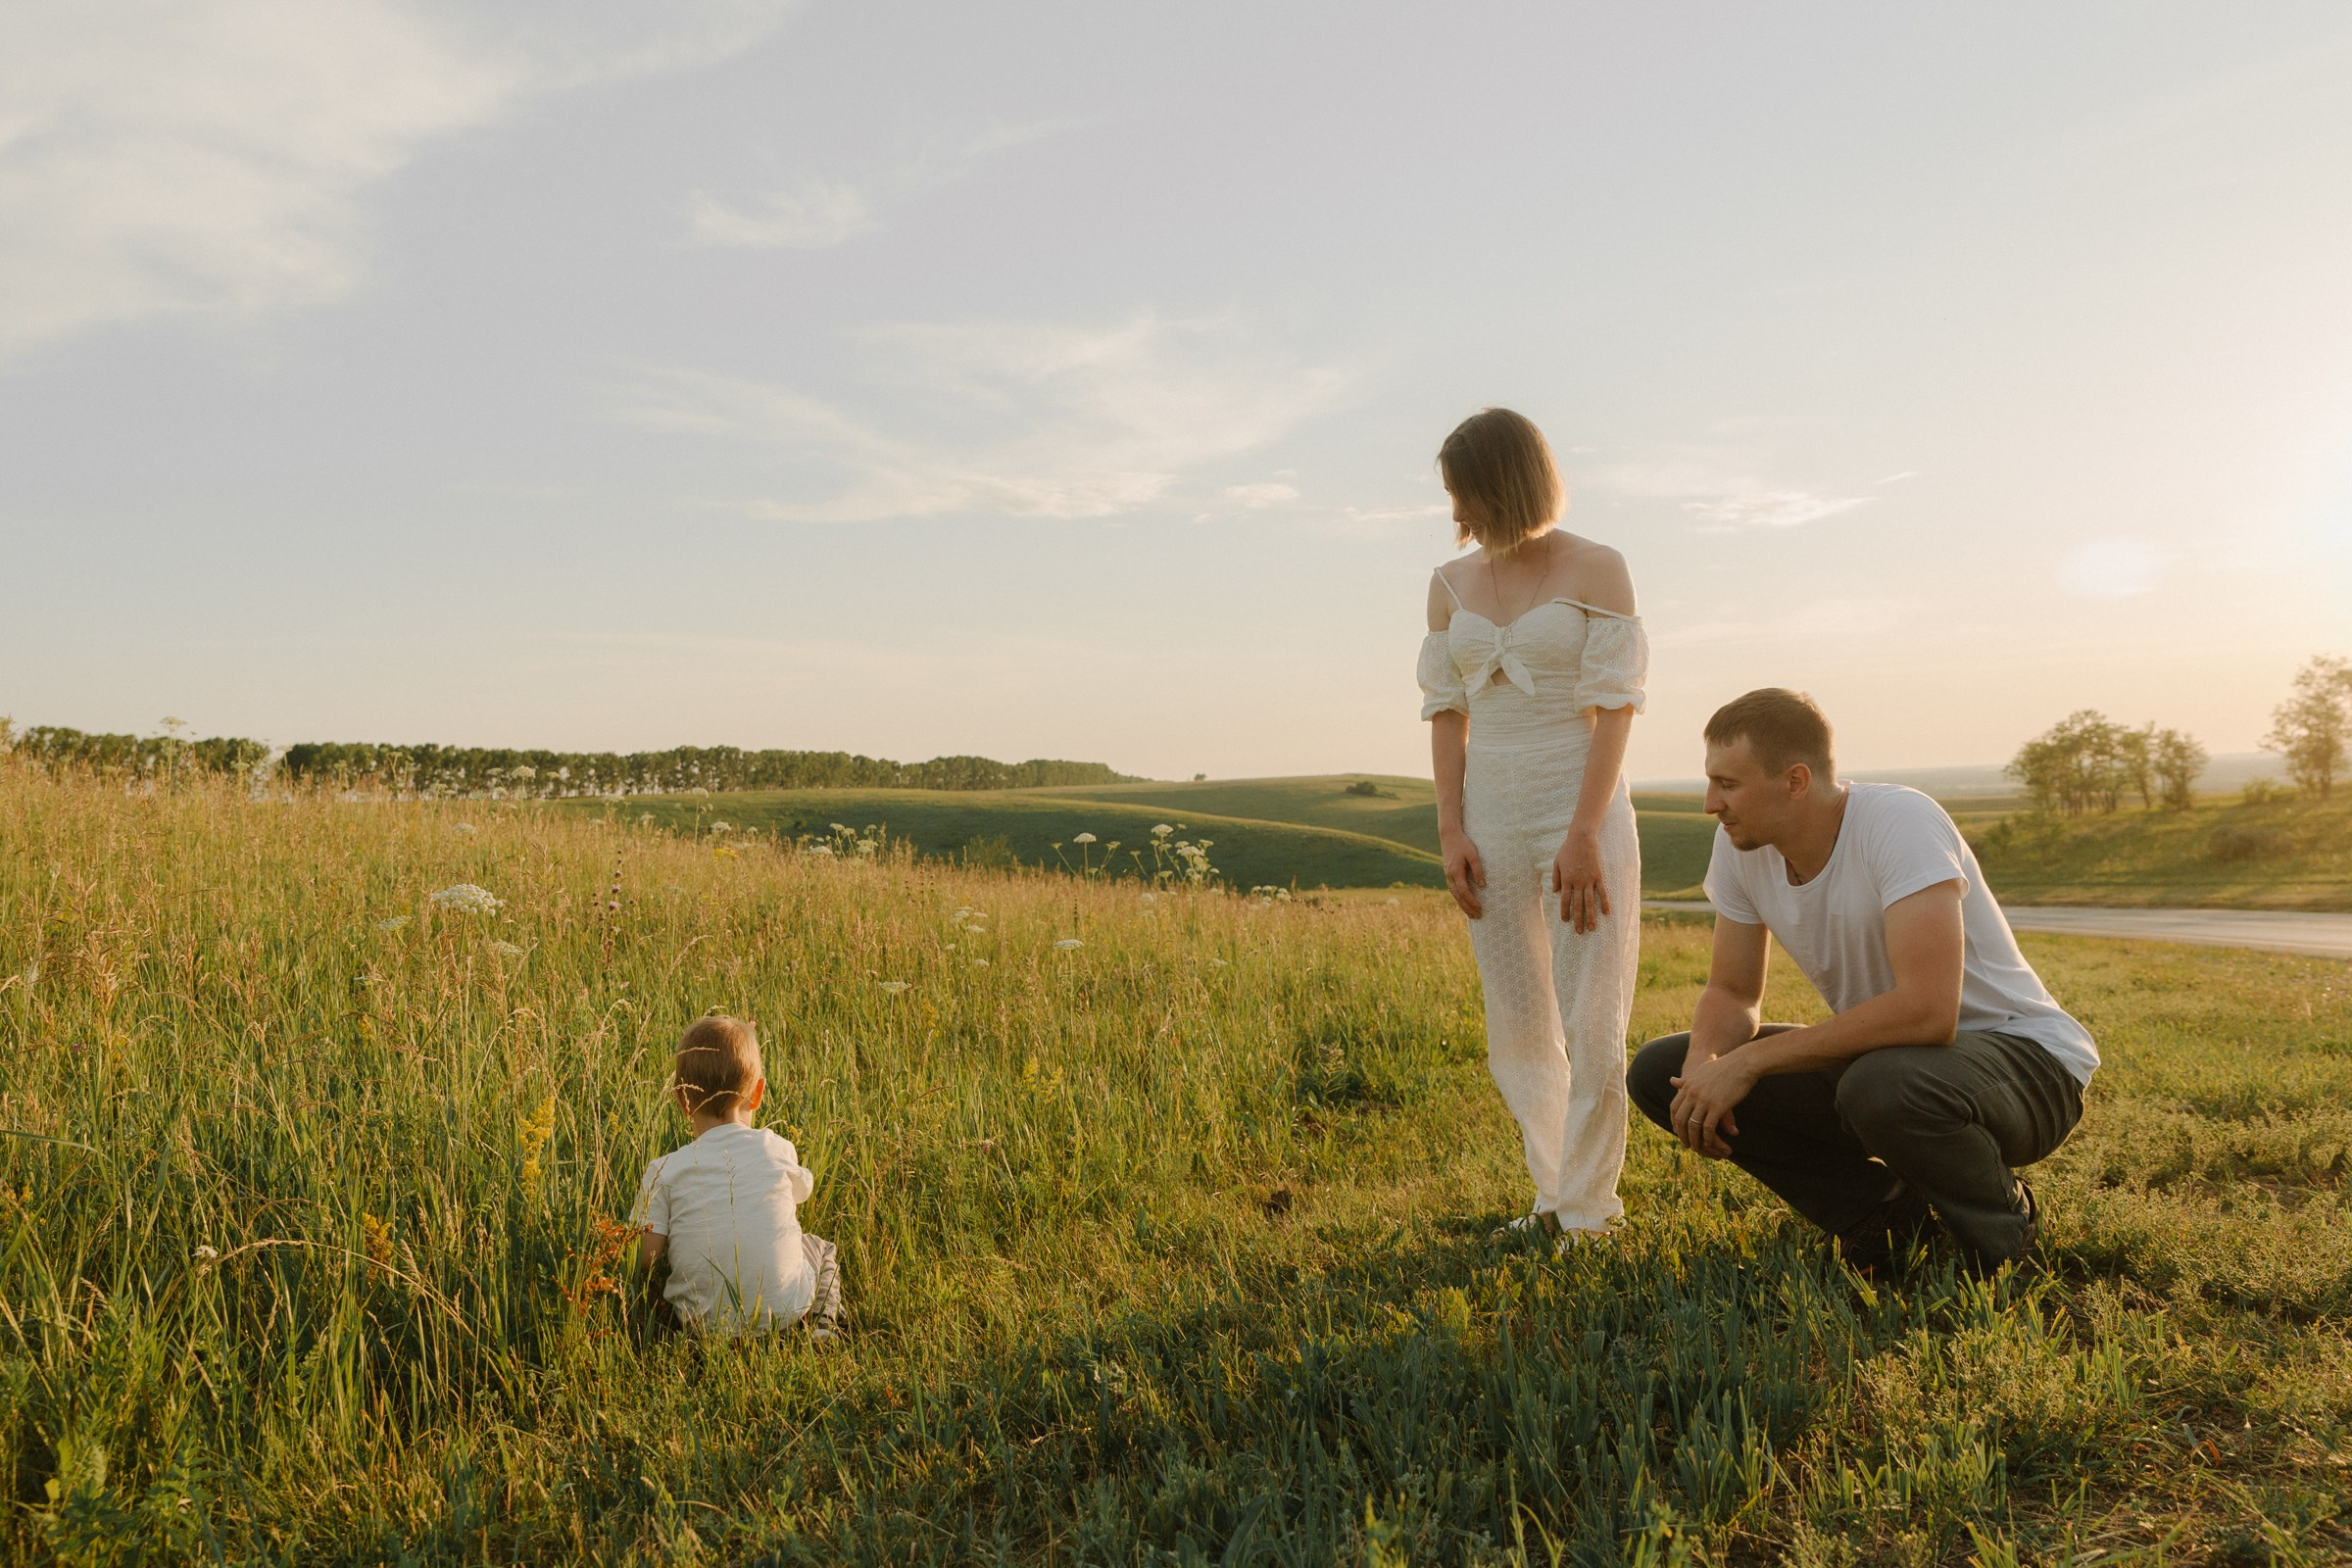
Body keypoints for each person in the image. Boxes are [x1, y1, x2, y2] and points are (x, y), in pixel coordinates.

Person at [1626, 689, 2095, 1273]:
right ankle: (1881, 1215)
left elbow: (1928, 1012)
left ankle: (2003, 1237)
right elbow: (1732, 992)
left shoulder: (1899, 822)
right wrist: (1704, 1066)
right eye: (1710, 782)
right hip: (1892, 1063)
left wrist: (1747, 1063)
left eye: (1728, 784)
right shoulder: (1742, 846)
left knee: (1880, 1084)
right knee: (1661, 1072)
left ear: (1795, 781)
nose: (1709, 804)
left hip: (2028, 1066)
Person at [1416, 408, 1648, 1243]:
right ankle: (1554, 1194)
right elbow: (1447, 716)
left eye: (1466, 492)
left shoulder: (1598, 567)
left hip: (1578, 801)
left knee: (1592, 1015)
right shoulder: (1448, 585)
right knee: (1517, 1019)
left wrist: (1585, 830)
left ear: (1507, 483)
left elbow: (1616, 708)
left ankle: (1592, 1211)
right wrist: (1451, 831)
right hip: (1490, 812)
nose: (1456, 512)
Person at [632, 1013, 844, 1338]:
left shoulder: (664, 1169)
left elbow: (644, 1257)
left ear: (682, 1099)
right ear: (757, 1093)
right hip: (785, 1315)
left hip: (702, 1327)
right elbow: (799, 1194)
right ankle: (823, 1324)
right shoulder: (776, 1148)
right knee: (820, 1247)